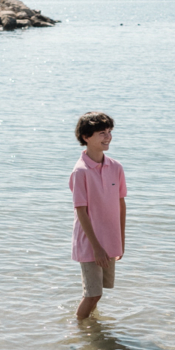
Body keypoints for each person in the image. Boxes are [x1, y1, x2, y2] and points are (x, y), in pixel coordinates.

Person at [69, 111, 127, 319]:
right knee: (92, 294)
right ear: (86, 137)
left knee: (98, 293)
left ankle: (90, 328)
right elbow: (81, 211)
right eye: (102, 133)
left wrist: (121, 240)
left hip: (110, 241)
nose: (108, 137)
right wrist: (97, 248)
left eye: (110, 132)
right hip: (90, 243)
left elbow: (121, 204)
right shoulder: (80, 171)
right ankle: (78, 330)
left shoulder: (116, 167)